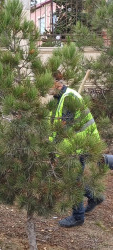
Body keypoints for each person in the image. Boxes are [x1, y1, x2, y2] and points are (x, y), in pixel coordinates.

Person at [50, 70, 104, 228]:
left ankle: (78, 217)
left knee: (72, 180)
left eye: (48, 85)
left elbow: (64, 130)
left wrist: (57, 151)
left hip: (79, 145)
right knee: (76, 178)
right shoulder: (60, 97)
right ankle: (95, 197)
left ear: (57, 84)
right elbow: (56, 127)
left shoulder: (68, 99)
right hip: (78, 143)